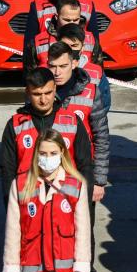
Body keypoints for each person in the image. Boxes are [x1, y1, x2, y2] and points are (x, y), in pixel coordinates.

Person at [3, 129, 92, 272]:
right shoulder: (20, 184)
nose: (48, 158)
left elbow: (83, 233)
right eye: (43, 153)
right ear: (36, 154)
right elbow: (13, 232)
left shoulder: (76, 185)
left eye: (53, 153)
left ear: (62, 153)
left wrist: (81, 271)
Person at [0, 69, 94, 208]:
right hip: (29, 206)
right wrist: (11, 207)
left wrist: (86, 205)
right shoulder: (15, 125)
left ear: (55, 88)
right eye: (37, 94)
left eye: (48, 93)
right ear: (27, 92)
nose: (43, 100)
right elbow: (7, 170)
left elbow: (86, 166)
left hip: (67, 205)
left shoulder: (73, 121)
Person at [46, 44, 109, 210]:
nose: (57, 72)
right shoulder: (41, 92)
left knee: (84, 231)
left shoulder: (91, 92)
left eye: (63, 66)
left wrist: (99, 181)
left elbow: (101, 138)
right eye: (52, 66)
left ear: (74, 64)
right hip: (48, 176)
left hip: (82, 174)